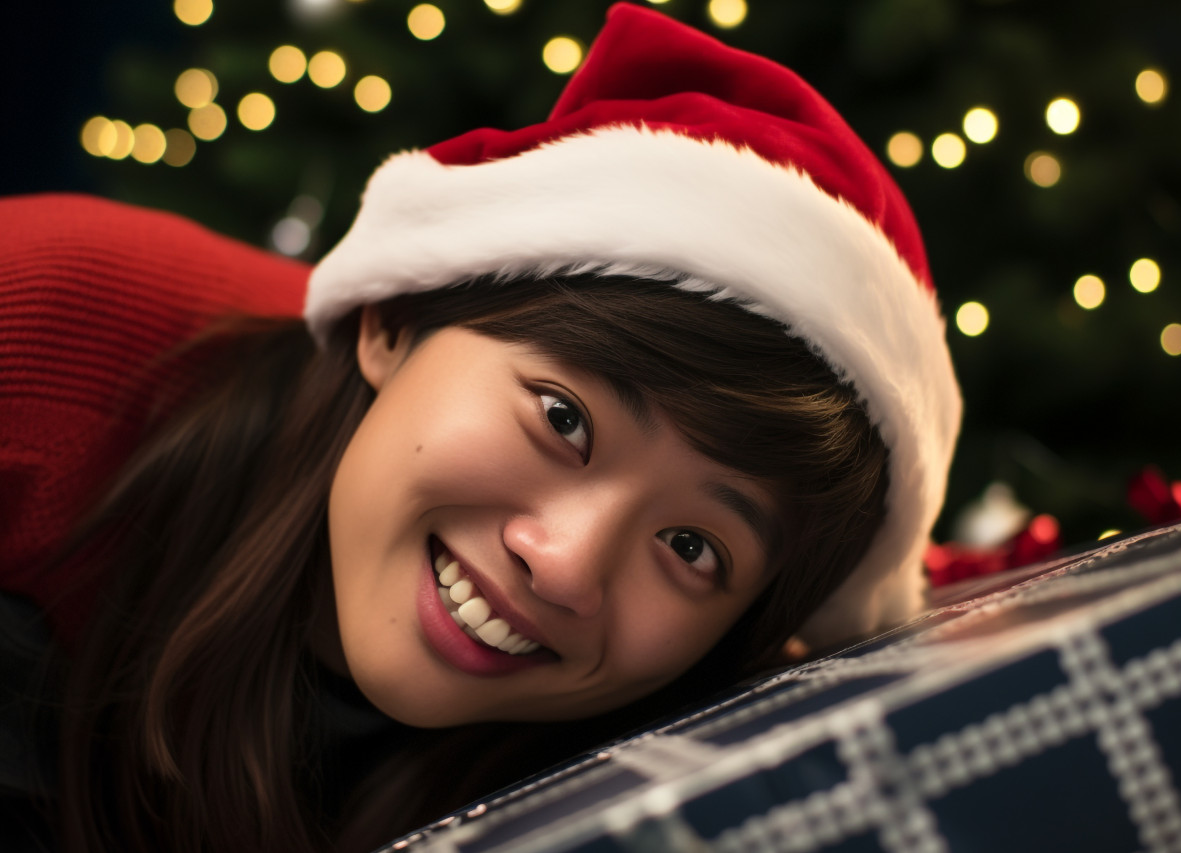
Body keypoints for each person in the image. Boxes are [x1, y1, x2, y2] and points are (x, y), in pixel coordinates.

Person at [0, 4, 961, 851]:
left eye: (691, 546)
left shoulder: (662, 761)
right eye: (561, 417)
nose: (567, 565)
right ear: (393, 321)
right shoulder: (36, 323)